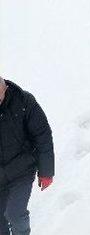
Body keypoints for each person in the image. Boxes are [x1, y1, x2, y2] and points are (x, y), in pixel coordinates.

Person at [0, 77, 54, 235]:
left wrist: (46, 172)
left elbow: (42, 135)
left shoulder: (24, 102)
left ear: (4, 89)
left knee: (14, 214)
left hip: (21, 172)